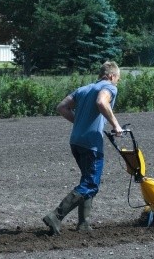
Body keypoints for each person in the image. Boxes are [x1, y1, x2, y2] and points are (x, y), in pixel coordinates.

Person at [43, 61, 123, 235]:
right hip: (91, 143)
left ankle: (84, 224)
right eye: (117, 78)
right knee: (91, 183)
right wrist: (116, 125)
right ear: (111, 76)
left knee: (87, 180)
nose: (117, 82)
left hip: (76, 141)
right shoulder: (109, 87)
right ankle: (56, 215)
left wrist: (79, 122)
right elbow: (102, 102)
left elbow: (62, 107)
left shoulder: (84, 89)